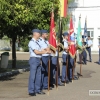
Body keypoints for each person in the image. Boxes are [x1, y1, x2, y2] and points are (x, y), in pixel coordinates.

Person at [28, 29, 50, 96]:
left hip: (38, 59)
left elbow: (40, 49)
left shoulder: (37, 42)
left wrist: (45, 49)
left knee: (38, 76)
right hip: (34, 59)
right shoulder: (31, 42)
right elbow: (36, 52)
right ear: (34, 34)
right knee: (32, 76)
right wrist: (45, 52)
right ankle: (31, 90)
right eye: (38, 33)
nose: (39, 34)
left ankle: (38, 89)